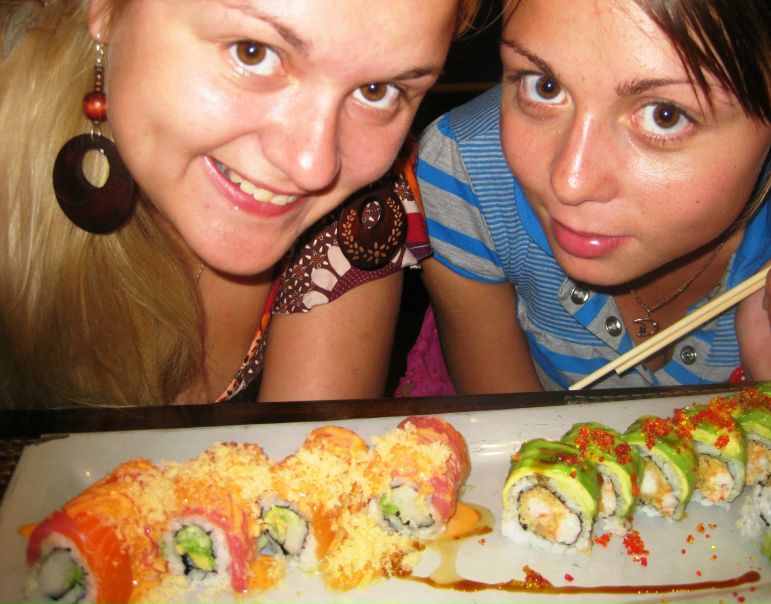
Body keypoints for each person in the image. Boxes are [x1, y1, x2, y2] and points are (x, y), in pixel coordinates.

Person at [0, 0, 481, 407]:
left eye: (378, 91)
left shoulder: (362, 214)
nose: (313, 167)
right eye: (253, 52)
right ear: (105, 9)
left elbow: (302, 471)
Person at [412, 0, 771, 394]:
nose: (570, 183)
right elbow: (507, 424)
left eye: (664, 115)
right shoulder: (468, 172)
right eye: (544, 86)